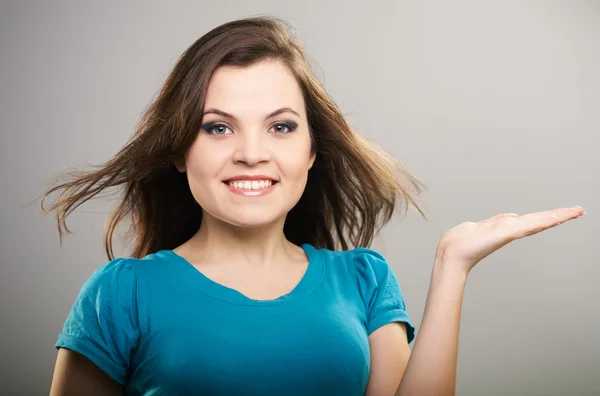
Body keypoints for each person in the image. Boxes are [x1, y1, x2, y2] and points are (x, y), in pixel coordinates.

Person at [43, 16, 585, 396]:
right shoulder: (122, 294)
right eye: (217, 127)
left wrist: (453, 266)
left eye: (280, 127)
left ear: (310, 153)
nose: (252, 153)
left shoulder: (363, 280)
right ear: (181, 153)